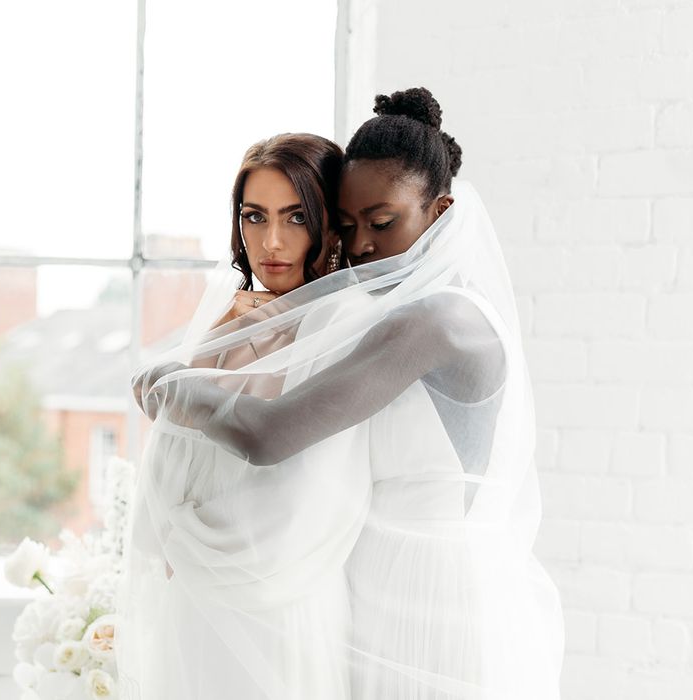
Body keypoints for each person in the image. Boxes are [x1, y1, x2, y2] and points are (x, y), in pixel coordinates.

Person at [127, 87, 565, 699]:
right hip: (368, 589)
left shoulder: (435, 322)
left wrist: (166, 385)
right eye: (349, 224)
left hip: (430, 596)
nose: (361, 246)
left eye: (383, 223)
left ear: (439, 212)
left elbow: (268, 434)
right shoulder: (385, 315)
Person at [116, 132, 371, 700]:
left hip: (283, 605)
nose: (271, 241)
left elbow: (310, 495)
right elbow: (166, 460)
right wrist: (218, 339)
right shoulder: (233, 320)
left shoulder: (345, 324)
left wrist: (184, 536)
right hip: (199, 609)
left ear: (329, 223)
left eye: (296, 216)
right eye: (254, 217)